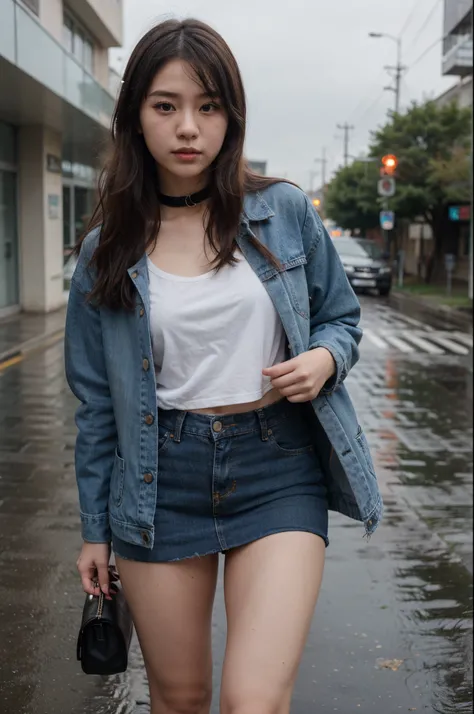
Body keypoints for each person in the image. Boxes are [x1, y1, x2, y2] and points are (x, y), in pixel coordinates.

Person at [65, 18, 382, 714]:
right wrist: (95, 528)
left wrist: (326, 358)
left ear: (231, 117)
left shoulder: (285, 212)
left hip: (277, 468)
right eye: (166, 105)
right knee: (179, 699)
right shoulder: (106, 250)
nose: (188, 128)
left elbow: (342, 318)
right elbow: (95, 408)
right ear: (136, 118)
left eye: (208, 106)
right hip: (159, 480)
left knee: (251, 701)